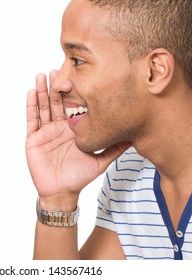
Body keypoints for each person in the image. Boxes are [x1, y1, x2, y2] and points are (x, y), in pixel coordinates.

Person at [25, 0, 192, 260]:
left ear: (155, 71)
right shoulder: (129, 175)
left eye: (78, 60)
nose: (58, 82)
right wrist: (57, 200)